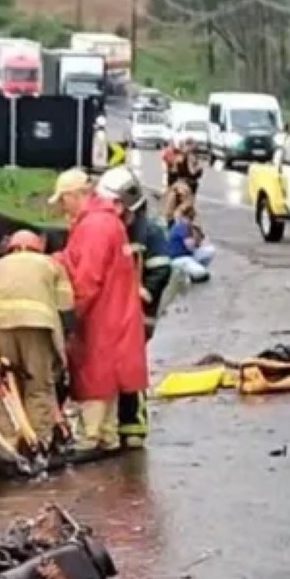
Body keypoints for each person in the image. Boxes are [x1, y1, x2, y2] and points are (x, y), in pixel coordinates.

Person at [52, 166, 148, 452]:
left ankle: (91, 436)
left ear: (75, 196)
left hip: (101, 317)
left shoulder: (94, 226)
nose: (61, 207)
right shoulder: (106, 222)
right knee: (109, 374)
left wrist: (70, 315)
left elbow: (87, 278)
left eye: (63, 200)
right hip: (117, 313)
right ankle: (106, 434)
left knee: (94, 372)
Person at [0, 230, 76, 451]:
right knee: (38, 385)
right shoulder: (50, 265)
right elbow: (66, 307)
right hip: (36, 326)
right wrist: (65, 341)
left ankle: (9, 448)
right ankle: (39, 444)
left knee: (4, 387)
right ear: (38, 247)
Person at [112, 167, 173, 448]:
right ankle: (116, 424)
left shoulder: (149, 232)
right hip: (117, 313)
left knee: (131, 368)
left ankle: (133, 424)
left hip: (139, 314)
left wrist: (144, 293)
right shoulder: (116, 230)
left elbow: (161, 270)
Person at [167, 203, 214, 283]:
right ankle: (187, 275)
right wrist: (195, 238)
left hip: (187, 255)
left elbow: (202, 243)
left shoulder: (187, 226)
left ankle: (194, 269)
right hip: (179, 258)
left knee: (210, 250)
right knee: (201, 273)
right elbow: (190, 247)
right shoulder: (182, 227)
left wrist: (198, 235)